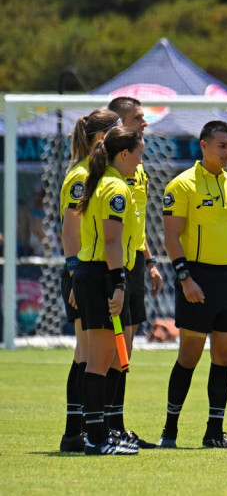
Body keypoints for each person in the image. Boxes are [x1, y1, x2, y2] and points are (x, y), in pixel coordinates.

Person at [157, 120, 227, 449]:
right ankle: (170, 431)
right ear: (203, 145)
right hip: (196, 278)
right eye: (222, 145)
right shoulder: (182, 185)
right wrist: (185, 279)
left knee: (224, 357)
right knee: (189, 355)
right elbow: (171, 237)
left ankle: (214, 432)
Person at [72, 125, 145, 455]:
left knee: (116, 356)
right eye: (139, 153)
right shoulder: (114, 187)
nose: (141, 160)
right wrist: (118, 284)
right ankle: (96, 438)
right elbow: (112, 240)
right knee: (99, 360)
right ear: (125, 154)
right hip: (103, 274)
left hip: (105, 273)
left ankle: (104, 432)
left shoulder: (110, 183)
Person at [58, 108, 121, 452]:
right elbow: (70, 230)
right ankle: (74, 433)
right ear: (102, 138)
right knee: (85, 355)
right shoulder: (81, 176)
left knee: (87, 355)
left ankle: (77, 432)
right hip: (82, 273)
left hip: (86, 273)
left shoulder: (97, 173)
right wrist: (75, 277)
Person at [104, 96, 163, 448]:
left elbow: (136, 225)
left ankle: (117, 425)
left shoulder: (137, 168)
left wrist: (151, 260)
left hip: (135, 262)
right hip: (111, 265)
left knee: (125, 349)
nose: (144, 122)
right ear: (119, 122)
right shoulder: (105, 172)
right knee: (105, 351)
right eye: (137, 117)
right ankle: (97, 426)